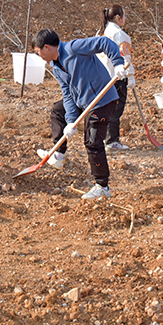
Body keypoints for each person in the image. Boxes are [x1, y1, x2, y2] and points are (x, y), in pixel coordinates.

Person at [32, 28, 125, 200]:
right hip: (83, 100)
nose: (39, 56)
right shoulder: (56, 67)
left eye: (38, 52)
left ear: (47, 47)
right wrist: (70, 121)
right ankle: (58, 154)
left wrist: (118, 62)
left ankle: (102, 187)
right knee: (58, 110)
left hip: (102, 100)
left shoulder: (73, 48)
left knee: (92, 142)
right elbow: (67, 93)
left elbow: (103, 42)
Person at [97, 5, 135, 150]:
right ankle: (112, 141)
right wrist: (130, 75)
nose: (126, 18)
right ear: (118, 17)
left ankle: (103, 138)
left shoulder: (101, 32)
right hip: (116, 78)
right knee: (115, 110)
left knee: (104, 109)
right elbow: (125, 58)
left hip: (102, 77)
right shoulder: (119, 34)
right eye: (124, 16)